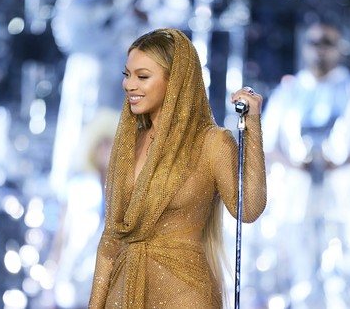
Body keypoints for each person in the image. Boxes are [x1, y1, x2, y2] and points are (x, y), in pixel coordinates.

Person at [88, 28, 267, 308]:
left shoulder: (212, 142)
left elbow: (249, 208)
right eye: (127, 75)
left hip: (185, 295)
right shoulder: (127, 145)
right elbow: (110, 242)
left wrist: (252, 124)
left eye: (142, 76)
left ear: (176, 81)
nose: (129, 85)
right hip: (122, 294)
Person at [261, 20, 350, 308]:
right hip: (297, 202)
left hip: (345, 201)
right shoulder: (289, 91)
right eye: (314, 43)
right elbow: (267, 144)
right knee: (300, 278)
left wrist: (339, 165)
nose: (320, 50)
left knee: (345, 277)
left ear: (339, 49)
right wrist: (298, 166)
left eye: (327, 43)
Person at [49, 0, 191, 195]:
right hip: (90, 69)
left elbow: (178, 10)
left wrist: (149, 17)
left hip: (137, 73)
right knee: (82, 162)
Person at [47, 108, 120, 308]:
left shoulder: (131, 195)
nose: (106, 149)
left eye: (111, 142)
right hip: (73, 291)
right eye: (101, 144)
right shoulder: (78, 192)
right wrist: (50, 288)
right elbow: (61, 240)